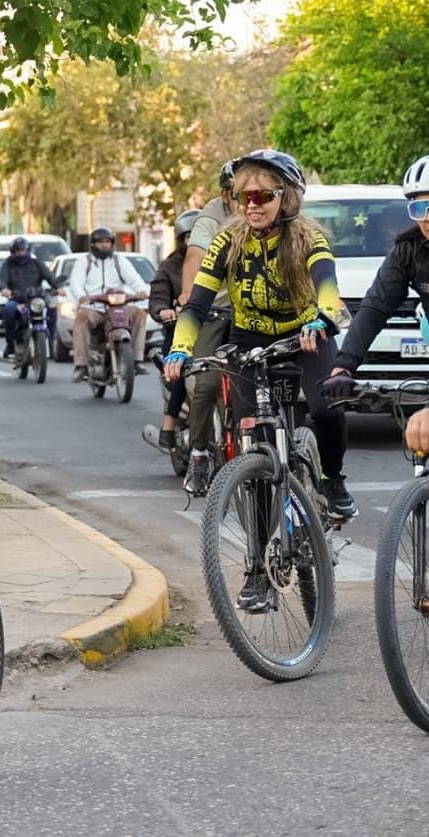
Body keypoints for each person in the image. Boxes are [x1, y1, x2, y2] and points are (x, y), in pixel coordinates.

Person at [164, 149, 357, 605]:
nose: (252, 204)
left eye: (263, 195)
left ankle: (332, 477)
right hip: (249, 341)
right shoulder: (226, 243)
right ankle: (257, 570)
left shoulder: (309, 238)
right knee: (250, 450)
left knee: (327, 405)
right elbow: (196, 304)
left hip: (306, 334)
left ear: (285, 198)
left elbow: (328, 291)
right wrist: (180, 347)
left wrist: (322, 321)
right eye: (242, 195)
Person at [321, 155, 429, 437]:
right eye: (419, 207)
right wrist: (344, 366)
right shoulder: (408, 250)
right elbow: (375, 308)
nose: (427, 217)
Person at [176, 161, 238, 495]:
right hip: (214, 306)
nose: (249, 203)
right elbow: (195, 256)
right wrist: (189, 297)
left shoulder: (272, 214)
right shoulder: (211, 217)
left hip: (253, 310)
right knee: (207, 380)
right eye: (240, 195)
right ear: (225, 194)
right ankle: (199, 453)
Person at [142, 209, 200, 452]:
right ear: (180, 239)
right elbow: (157, 297)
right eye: (188, 237)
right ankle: (168, 424)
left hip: (216, 329)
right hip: (179, 332)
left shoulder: (218, 261)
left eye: (197, 237)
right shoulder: (168, 267)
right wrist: (163, 310)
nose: (193, 242)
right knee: (181, 366)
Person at [69, 227, 150, 382]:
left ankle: (137, 360)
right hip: (94, 307)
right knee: (80, 319)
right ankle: (81, 366)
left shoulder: (119, 260)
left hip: (118, 306)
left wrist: (141, 291)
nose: (104, 245)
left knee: (139, 314)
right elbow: (75, 284)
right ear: (93, 245)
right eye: (100, 242)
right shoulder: (84, 262)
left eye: (107, 242)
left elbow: (134, 279)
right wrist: (82, 296)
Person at [0, 236, 62, 360]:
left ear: (28, 250)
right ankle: (10, 344)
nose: (21, 253)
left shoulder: (36, 263)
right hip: (17, 298)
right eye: (18, 251)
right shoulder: (8, 264)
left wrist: (58, 287)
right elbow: (1, 279)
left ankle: (51, 341)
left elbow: (49, 276)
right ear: (13, 252)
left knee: (52, 307)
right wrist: (4, 289)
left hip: (36, 298)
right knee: (9, 309)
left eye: (23, 250)